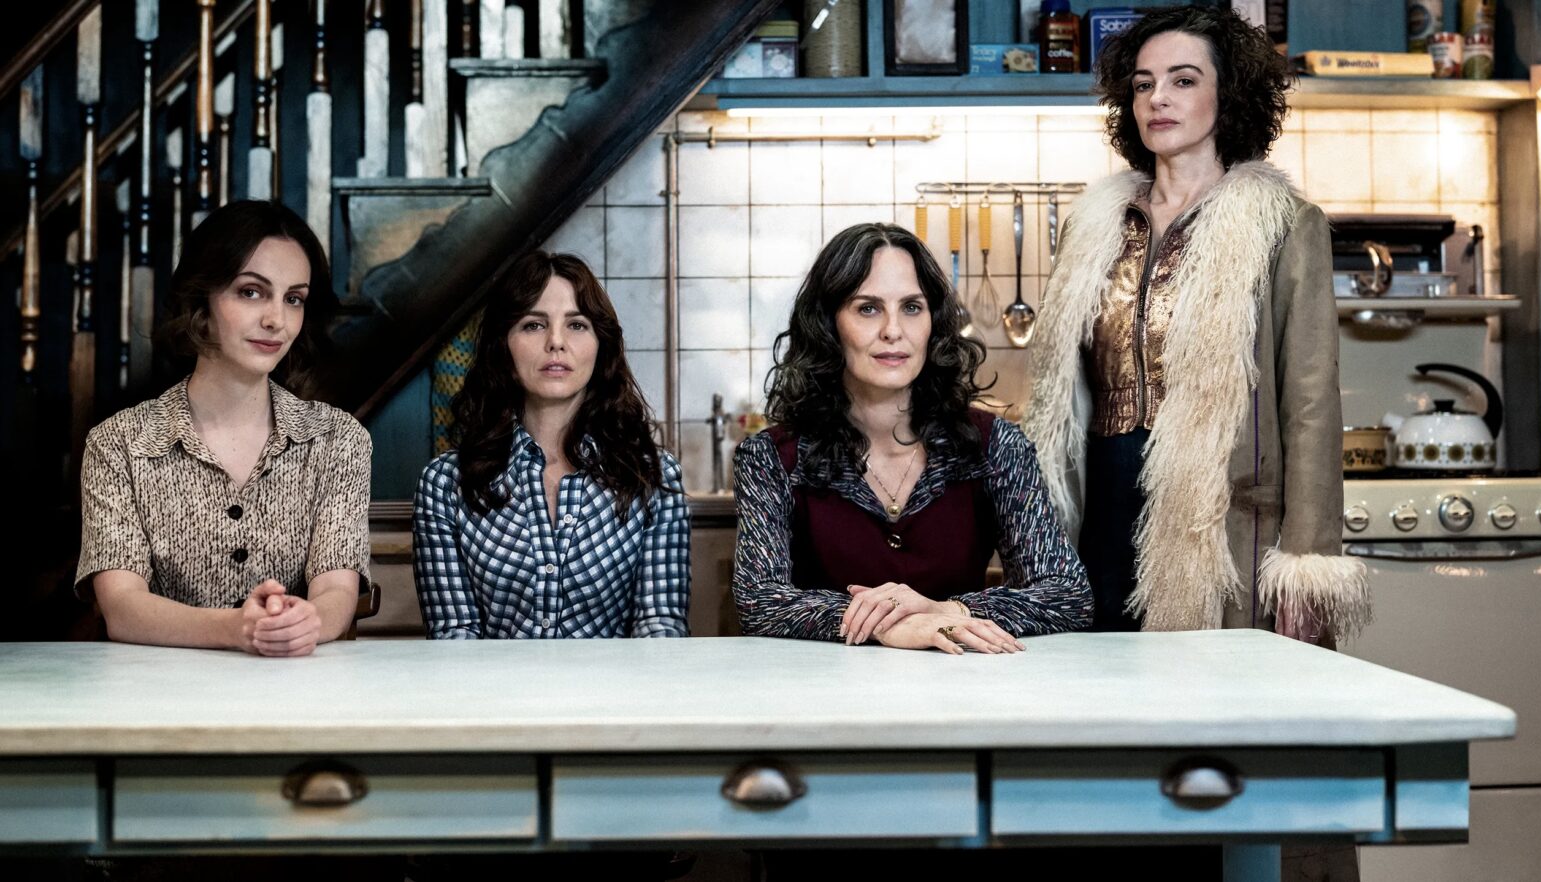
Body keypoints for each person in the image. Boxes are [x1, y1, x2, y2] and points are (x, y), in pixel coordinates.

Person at [1021, 8, 1370, 641]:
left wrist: (1308, 558)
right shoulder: (1091, 225)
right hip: (1100, 499)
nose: (1158, 99)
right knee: (1095, 696)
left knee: (1210, 704)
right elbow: (1056, 396)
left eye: (1183, 80)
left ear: (1227, 92)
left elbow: (1312, 401)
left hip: (1221, 515)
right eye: (1143, 83)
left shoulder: (1285, 224)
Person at [732, 222, 1092, 652]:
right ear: (828, 325)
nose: (892, 330)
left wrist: (946, 613)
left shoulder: (997, 446)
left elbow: (1067, 594)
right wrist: (884, 624)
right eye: (867, 308)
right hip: (821, 700)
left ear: (933, 323)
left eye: (911, 307)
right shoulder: (771, 457)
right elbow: (759, 601)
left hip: (961, 695)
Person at [76, 200, 370, 657]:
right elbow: (122, 606)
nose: (276, 319)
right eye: (251, 292)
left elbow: (337, 589)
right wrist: (236, 628)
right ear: (202, 300)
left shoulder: (338, 439)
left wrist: (306, 620)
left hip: (294, 692)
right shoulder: (118, 443)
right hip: (156, 697)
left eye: (293, 298)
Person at [413, 251, 689, 639]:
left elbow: (660, 628)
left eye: (576, 325)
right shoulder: (445, 483)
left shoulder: (652, 475)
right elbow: (453, 635)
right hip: (491, 697)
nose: (556, 342)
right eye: (533, 325)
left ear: (601, 345)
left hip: (616, 696)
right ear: (503, 346)